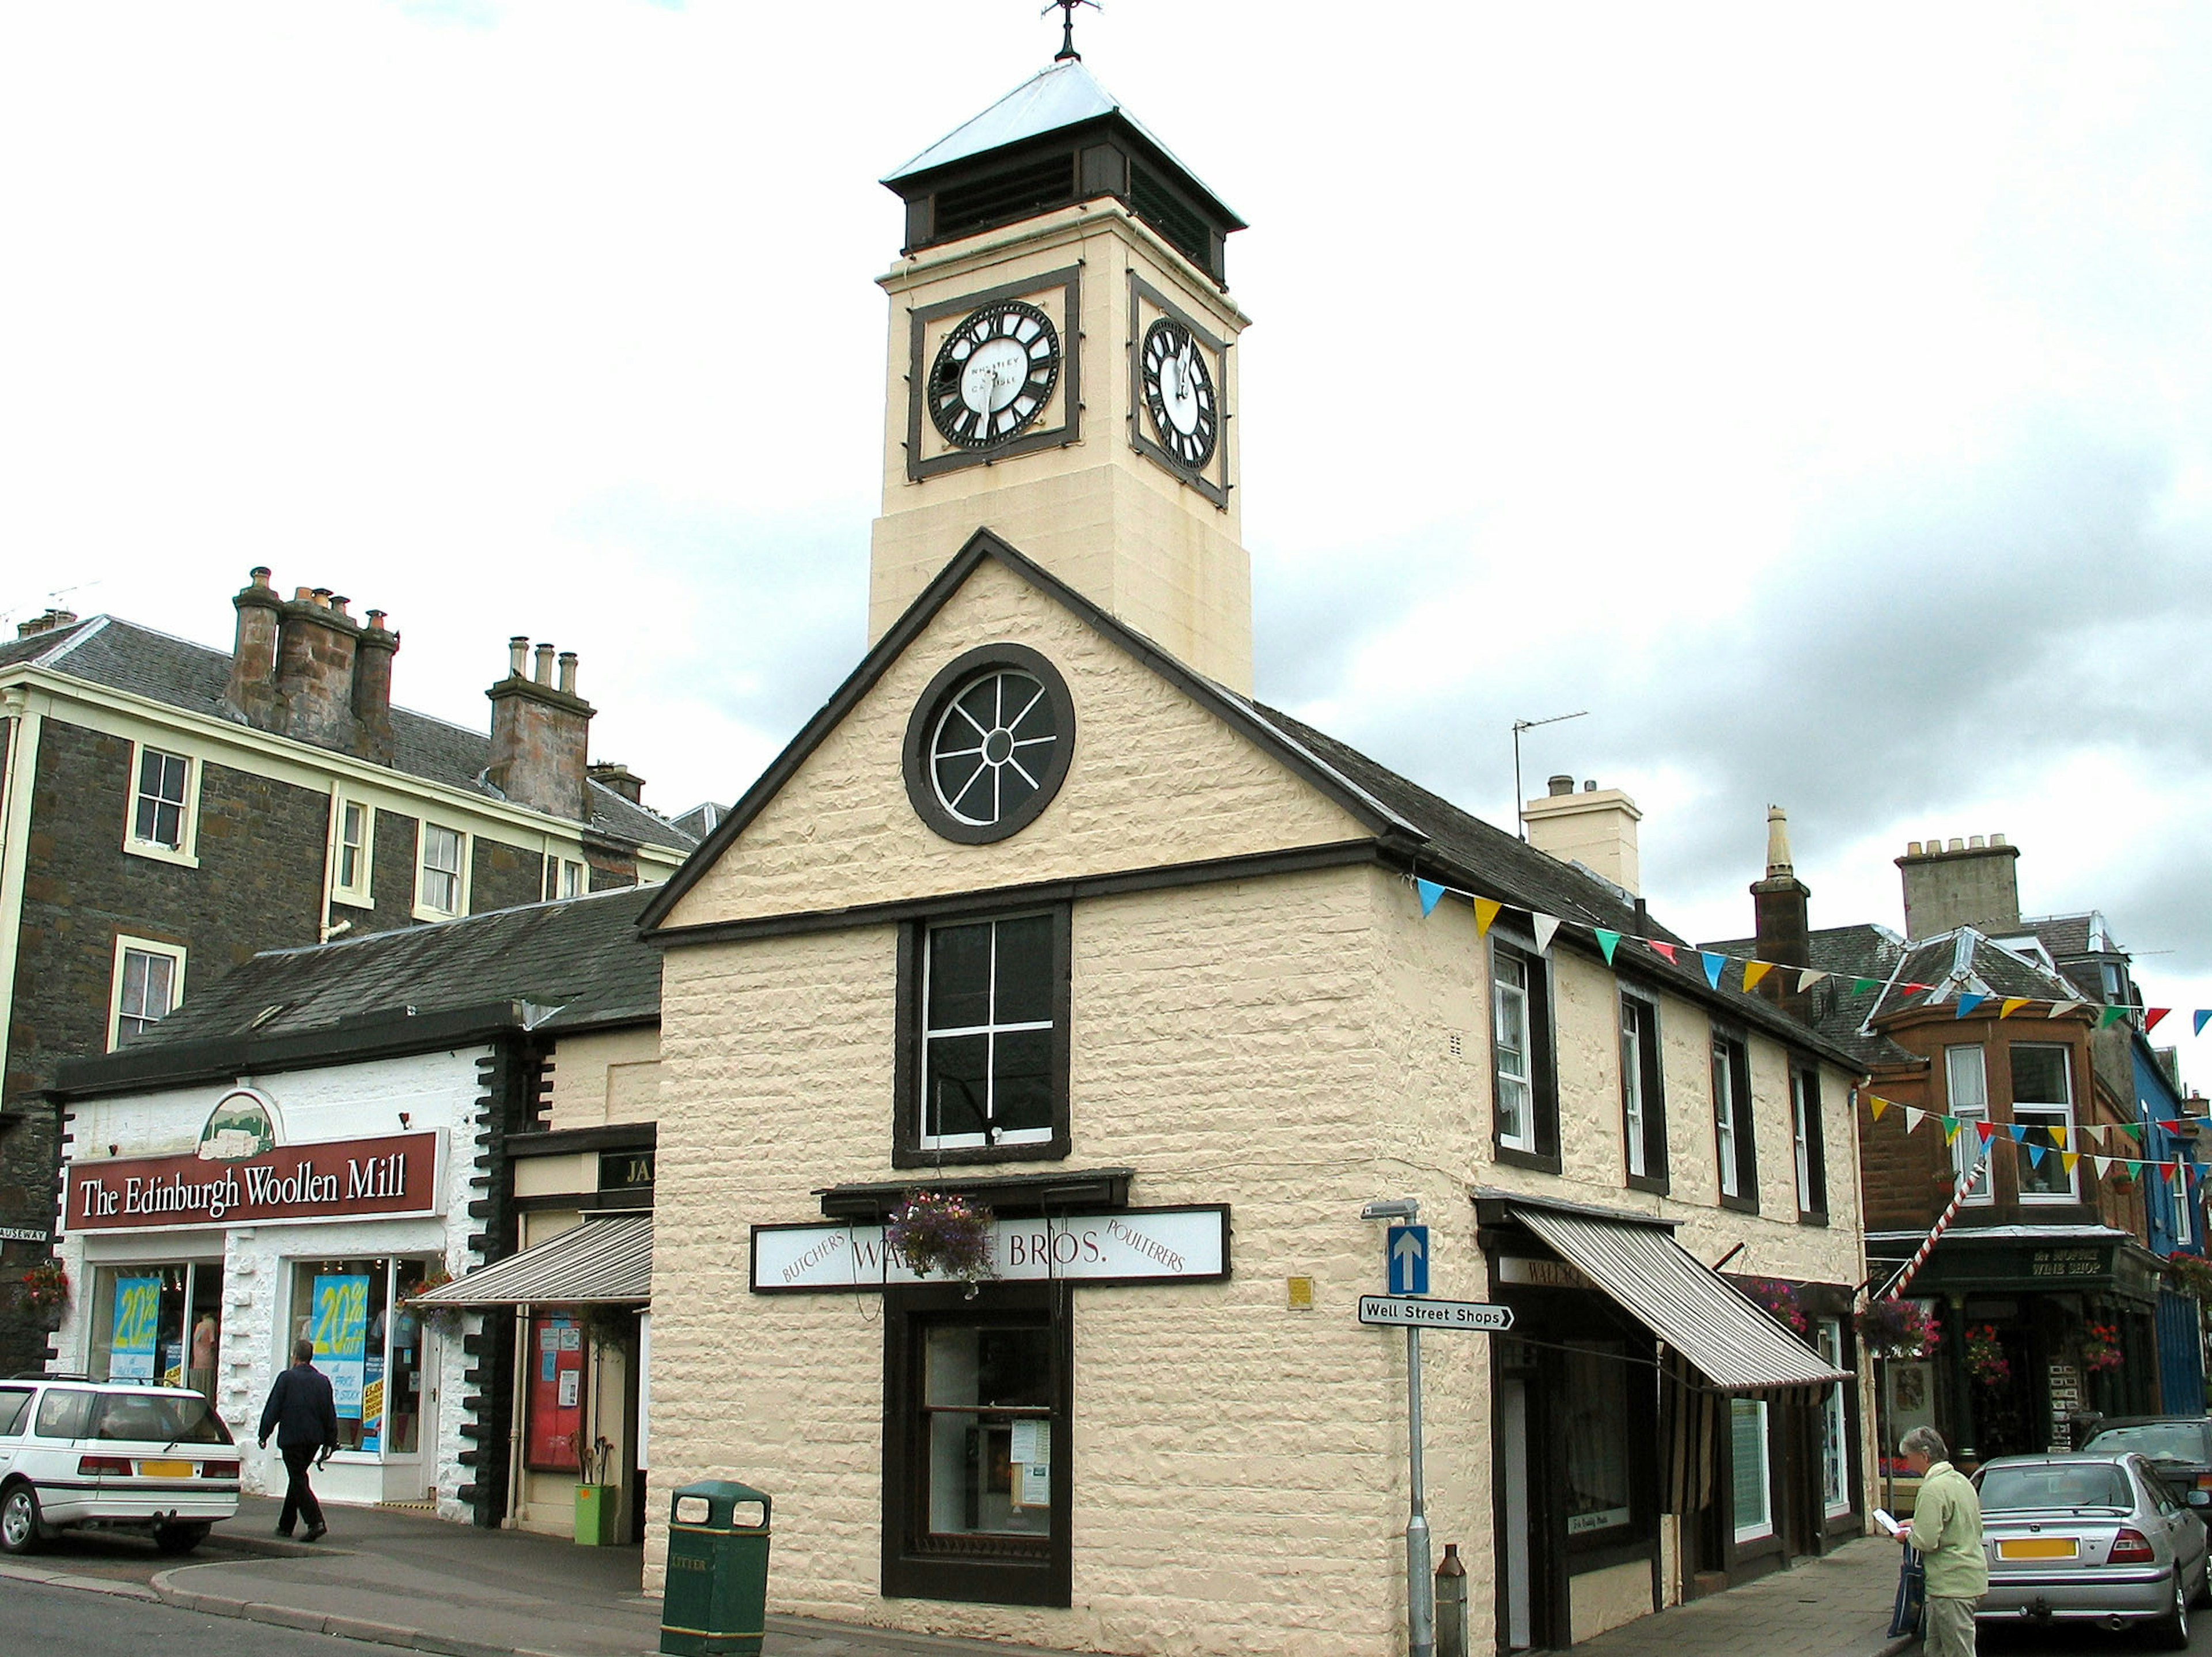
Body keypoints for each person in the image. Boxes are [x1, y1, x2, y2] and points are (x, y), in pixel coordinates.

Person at [1896, 1425, 1986, 1657]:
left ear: (1924, 1456)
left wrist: (1908, 1535)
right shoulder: (1960, 1481)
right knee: (1935, 1648)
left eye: (1909, 1458)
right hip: (1966, 1576)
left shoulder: (1933, 1488)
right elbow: (1958, 1524)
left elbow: (1926, 1541)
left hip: (1952, 1582)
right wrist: (1917, 1524)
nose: (1907, 1465)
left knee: (1959, 1650)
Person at [259, 1337, 339, 1541]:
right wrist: (330, 1442)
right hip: (313, 1440)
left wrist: (264, 1434)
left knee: (298, 1479)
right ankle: (285, 1525)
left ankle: (315, 1522)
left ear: (294, 1356)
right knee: (297, 1478)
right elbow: (329, 1413)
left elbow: (273, 1408)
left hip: (292, 1438)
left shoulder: (286, 1378)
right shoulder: (323, 1381)